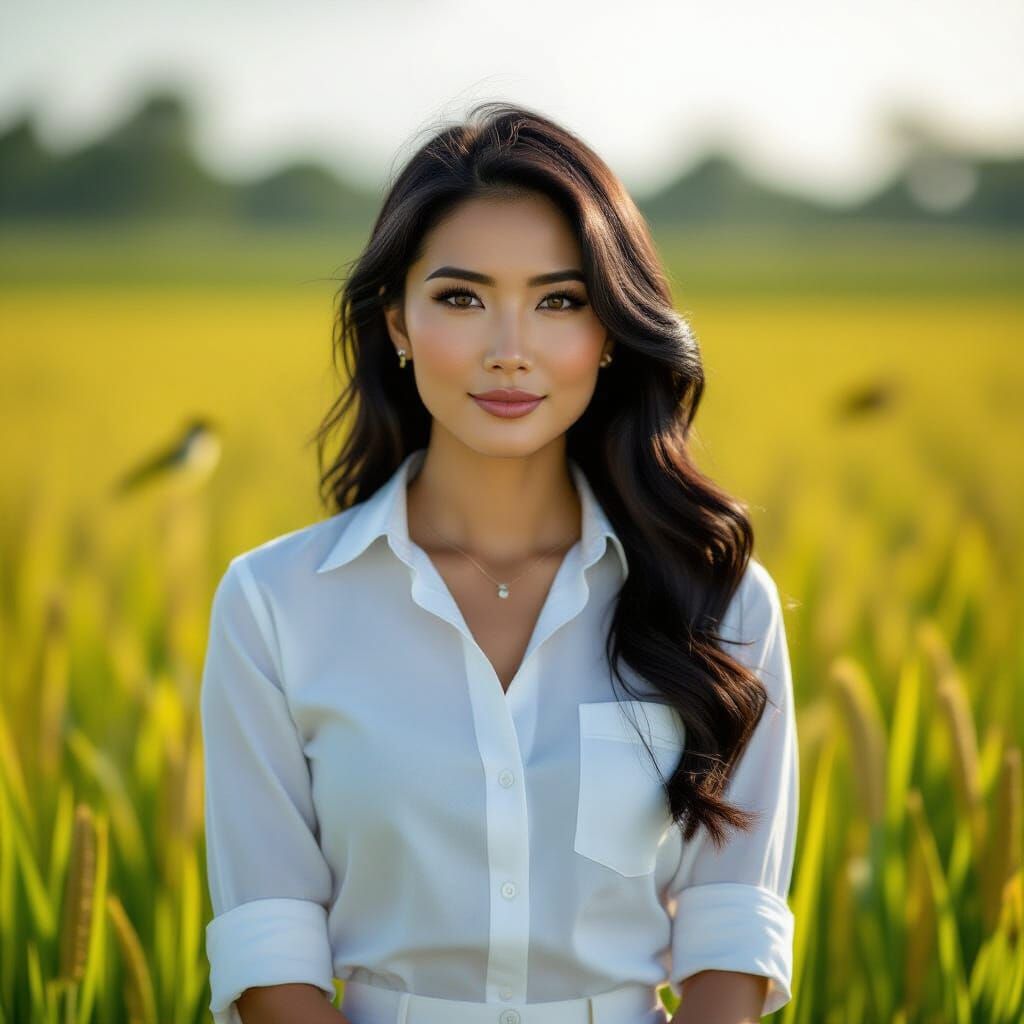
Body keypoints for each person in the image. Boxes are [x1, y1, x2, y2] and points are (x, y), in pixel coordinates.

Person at [200, 101, 799, 1024]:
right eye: (460, 298)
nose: (510, 352)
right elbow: (268, 936)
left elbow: (730, 933)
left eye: (559, 301)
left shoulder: (720, 605)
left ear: (610, 332)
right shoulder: (275, 605)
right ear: (396, 321)